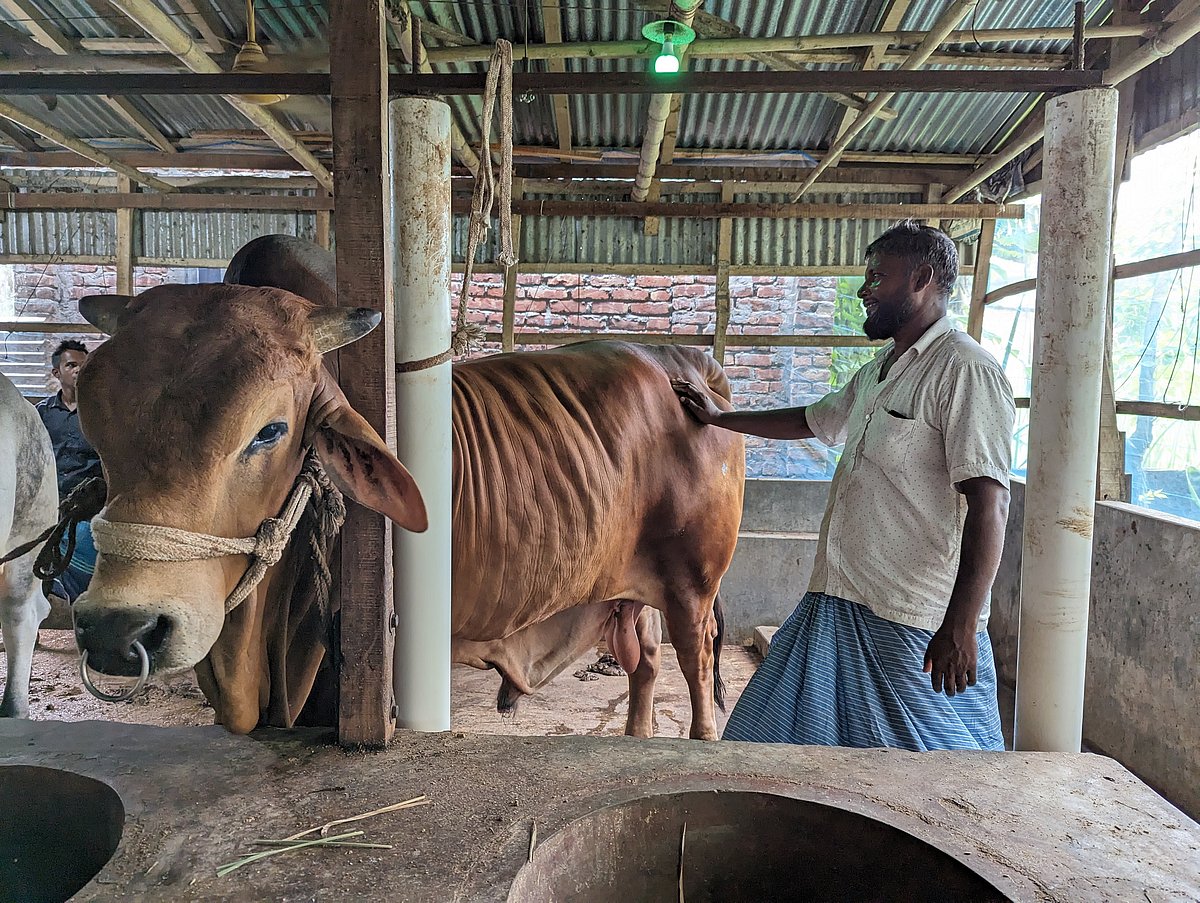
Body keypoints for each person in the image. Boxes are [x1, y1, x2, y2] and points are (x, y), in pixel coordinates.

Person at [673, 221, 1014, 752]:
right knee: (768, 741)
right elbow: (811, 421)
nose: (864, 290)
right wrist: (721, 418)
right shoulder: (881, 370)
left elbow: (990, 506)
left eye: (878, 277)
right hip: (839, 598)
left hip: (910, 620)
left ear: (923, 278)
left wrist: (961, 625)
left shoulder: (966, 371)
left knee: (942, 778)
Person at [35, 339, 102, 605]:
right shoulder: (42, 413)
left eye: (83, 366)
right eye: (71, 365)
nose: (78, 371)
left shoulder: (101, 414)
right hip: (46, 504)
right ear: (56, 373)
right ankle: (31, 624)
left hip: (86, 508)